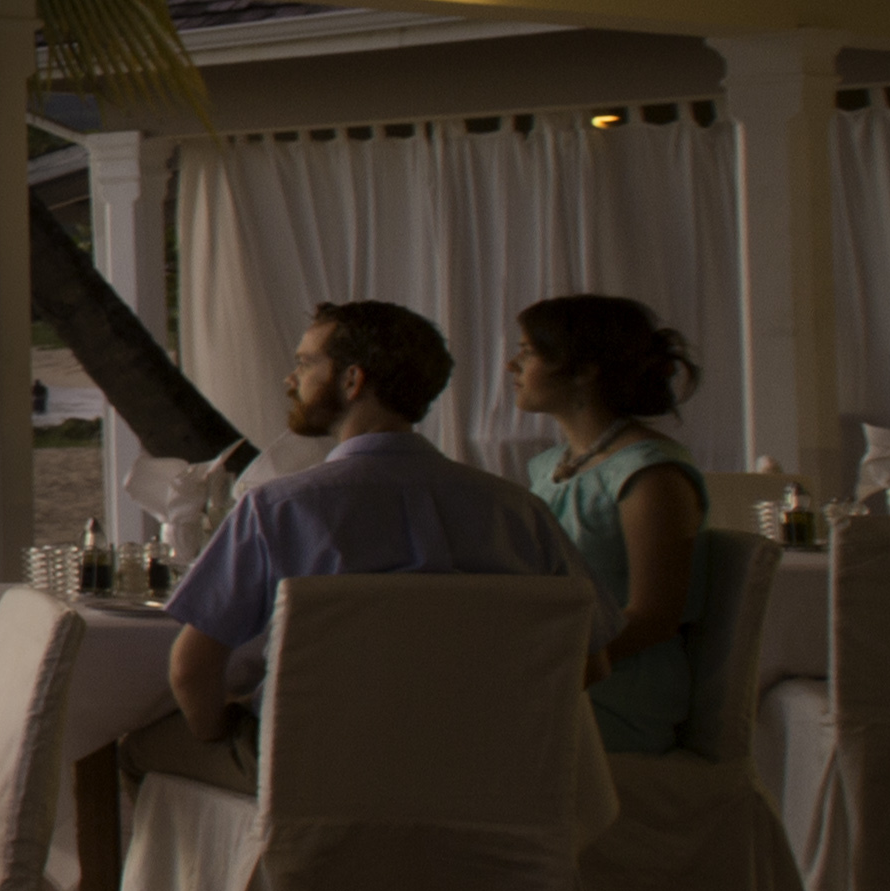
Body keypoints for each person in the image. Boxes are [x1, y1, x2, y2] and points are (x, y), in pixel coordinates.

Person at [127, 298, 568, 790]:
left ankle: (253, 859)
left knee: (133, 748)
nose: (290, 380)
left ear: (352, 381)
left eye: (304, 364)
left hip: (317, 769)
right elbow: (586, 657)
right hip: (479, 768)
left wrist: (221, 731)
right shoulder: (519, 511)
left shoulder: (278, 510)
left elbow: (192, 669)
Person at [510, 293, 705, 755]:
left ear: (584, 369)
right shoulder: (548, 466)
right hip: (562, 671)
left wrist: (547, 672)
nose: (511, 367)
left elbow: (654, 616)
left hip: (615, 687)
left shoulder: (650, 474)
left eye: (528, 352)